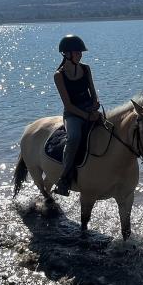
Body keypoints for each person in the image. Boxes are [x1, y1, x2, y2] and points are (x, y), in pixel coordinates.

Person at [52, 34, 100, 196]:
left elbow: (93, 93)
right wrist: (86, 116)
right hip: (73, 114)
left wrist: (94, 105)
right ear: (66, 53)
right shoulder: (59, 75)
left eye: (81, 52)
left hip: (90, 110)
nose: (80, 55)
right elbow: (68, 105)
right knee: (74, 138)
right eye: (77, 52)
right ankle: (64, 180)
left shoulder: (86, 68)